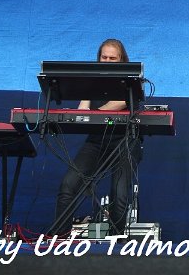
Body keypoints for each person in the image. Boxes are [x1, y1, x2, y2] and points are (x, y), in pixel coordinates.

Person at [52, 38, 142, 236]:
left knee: (119, 194)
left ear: (122, 60)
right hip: (96, 141)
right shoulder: (91, 80)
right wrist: (88, 99)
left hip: (124, 141)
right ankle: (60, 239)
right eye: (104, 57)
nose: (107, 61)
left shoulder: (131, 81)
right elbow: (82, 111)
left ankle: (117, 243)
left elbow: (119, 103)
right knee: (68, 185)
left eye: (112, 58)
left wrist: (95, 112)